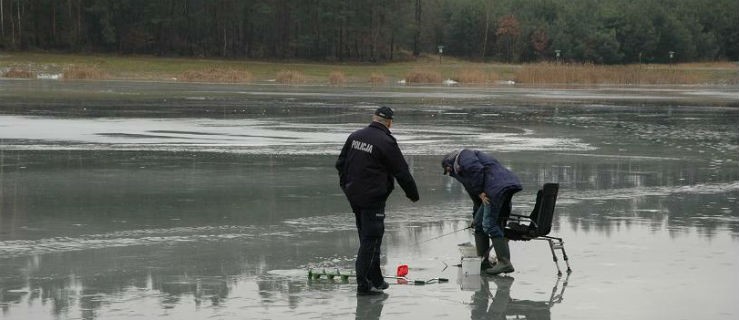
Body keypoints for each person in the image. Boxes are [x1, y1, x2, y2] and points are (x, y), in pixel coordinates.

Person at [336, 106, 420, 296]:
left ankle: (376, 279)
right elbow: (402, 172)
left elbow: (340, 164)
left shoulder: (355, 136)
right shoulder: (386, 142)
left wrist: (346, 186)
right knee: (371, 238)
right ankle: (363, 285)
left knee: (368, 237)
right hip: (373, 198)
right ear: (389, 122)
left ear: (374, 118)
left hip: (355, 195)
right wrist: (413, 194)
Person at [441, 149, 522, 275]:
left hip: (495, 187)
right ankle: (483, 262)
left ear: (448, 165)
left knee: (489, 224)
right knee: (479, 224)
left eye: (448, 171)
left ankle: (505, 263)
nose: (451, 175)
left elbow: (476, 169)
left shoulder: (463, 156)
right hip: (497, 186)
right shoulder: (463, 170)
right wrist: (475, 216)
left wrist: (480, 191)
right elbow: (476, 196)